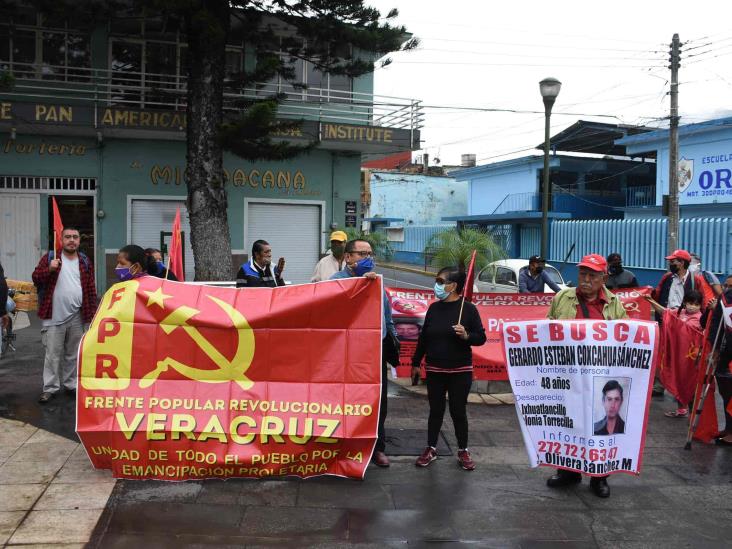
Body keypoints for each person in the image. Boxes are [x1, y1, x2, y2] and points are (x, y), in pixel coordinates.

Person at [545, 253, 627, 498]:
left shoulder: (614, 303)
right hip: (568, 375)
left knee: (600, 427)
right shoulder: (562, 297)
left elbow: (626, 335)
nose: (586, 279)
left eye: (592, 275)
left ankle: (599, 476)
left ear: (603, 277)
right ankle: (568, 471)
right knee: (568, 423)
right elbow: (548, 327)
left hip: (600, 376)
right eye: (583, 274)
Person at [330, 239, 397, 467]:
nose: (368, 258)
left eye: (370, 254)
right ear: (348, 257)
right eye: (362, 253)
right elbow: (332, 314)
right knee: (347, 400)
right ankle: (344, 447)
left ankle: (377, 448)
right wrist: (359, 285)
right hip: (348, 353)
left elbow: (387, 317)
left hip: (375, 352)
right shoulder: (335, 283)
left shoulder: (378, 283)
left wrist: (392, 342)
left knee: (378, 402)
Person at [412, 267, 486, 471]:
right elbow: (424, 338)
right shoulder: (434, 309)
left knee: (458, 411)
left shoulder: (469, 309)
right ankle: (431, 448)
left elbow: (481, 337)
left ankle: (463, 450)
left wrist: (466, 336)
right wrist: (416, 362)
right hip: (435, 370)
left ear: (453, 286)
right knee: (435, 411)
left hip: (460, 371)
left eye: (441, 281)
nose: (437, 285)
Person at [32, 227, 98, 403]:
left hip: (78, 314)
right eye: (68, 237)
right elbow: (36, 278)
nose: (72, 240)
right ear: (61, 239)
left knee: (73, 354)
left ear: (79, 240)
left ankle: (71, 385)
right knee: (52, 355)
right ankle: (50, 388)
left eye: (75, 237)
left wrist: (92, 314)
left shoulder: (84, 260)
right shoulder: (50, 258)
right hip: (54, 315)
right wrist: (49, 269)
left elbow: (91, 289)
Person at [652, 249, 714, 397]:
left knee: (682, 355)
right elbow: (658, 293)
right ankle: (660, 384)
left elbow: (702, 301)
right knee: (662, 352)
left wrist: (703, 323)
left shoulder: (695, 280)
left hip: (687, 324)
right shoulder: (667, 278)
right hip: (668, 320)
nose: (670, 263)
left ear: (682, 263)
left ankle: (682, 387)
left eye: (673, 261)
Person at [646, 290, 703, 418]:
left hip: (690, 357)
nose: (692, 306)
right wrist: (651, 301)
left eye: (696, 304)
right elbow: (665, 313)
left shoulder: (701, 318)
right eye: (690, 302)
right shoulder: (679, 313)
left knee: (689, 383)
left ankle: (694, 414)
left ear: (700, 305)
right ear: (685, 302)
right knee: (678, 380)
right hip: (676, 353)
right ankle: (682, 408)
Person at [707, 285, 732, 446]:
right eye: (727, 284)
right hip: (725, 352)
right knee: (726, 392)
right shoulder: (725, 298)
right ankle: (729, 428)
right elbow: (714, 324)